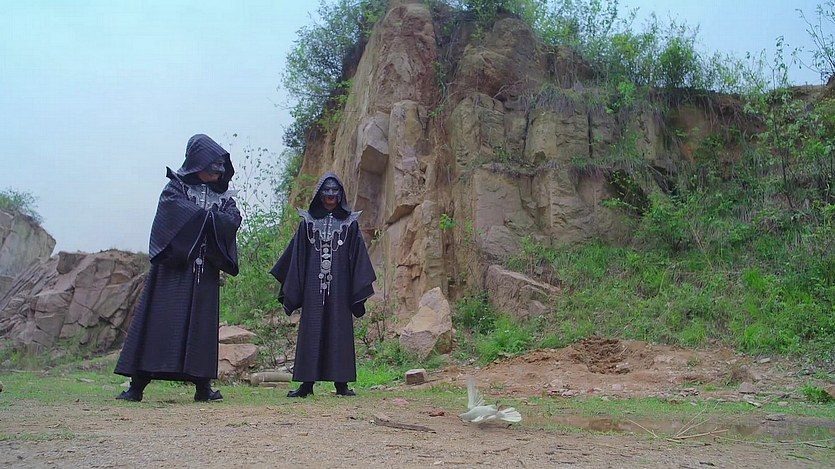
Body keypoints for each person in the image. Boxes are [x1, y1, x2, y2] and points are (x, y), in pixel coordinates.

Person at [114, 134, 241, 402]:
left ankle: (203, 387)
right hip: (173, 270)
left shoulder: (224, 197)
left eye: (221, 166)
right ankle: (137, 386)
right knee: (159, 323)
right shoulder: (176, 188)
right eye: (213, 164)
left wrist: (208, 219)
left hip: (205, 272)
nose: (218, 171)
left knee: (202, 327)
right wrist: (208, 218)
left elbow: (232, 220)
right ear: (198, 162)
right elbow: (171, 213)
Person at [270, 172, 376, 397]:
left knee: (339, 329)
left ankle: (341, 384)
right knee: (311, 329)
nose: (330, 194)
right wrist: (294, 288)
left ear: (340, 194)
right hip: (312, 288)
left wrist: (357, 289)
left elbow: (358, 257)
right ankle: (306, 385)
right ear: (319, 194)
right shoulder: (307, 223)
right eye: (326, 190)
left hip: (340, 288)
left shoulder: (349, 224)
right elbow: (297, 256)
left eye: (334, 190)